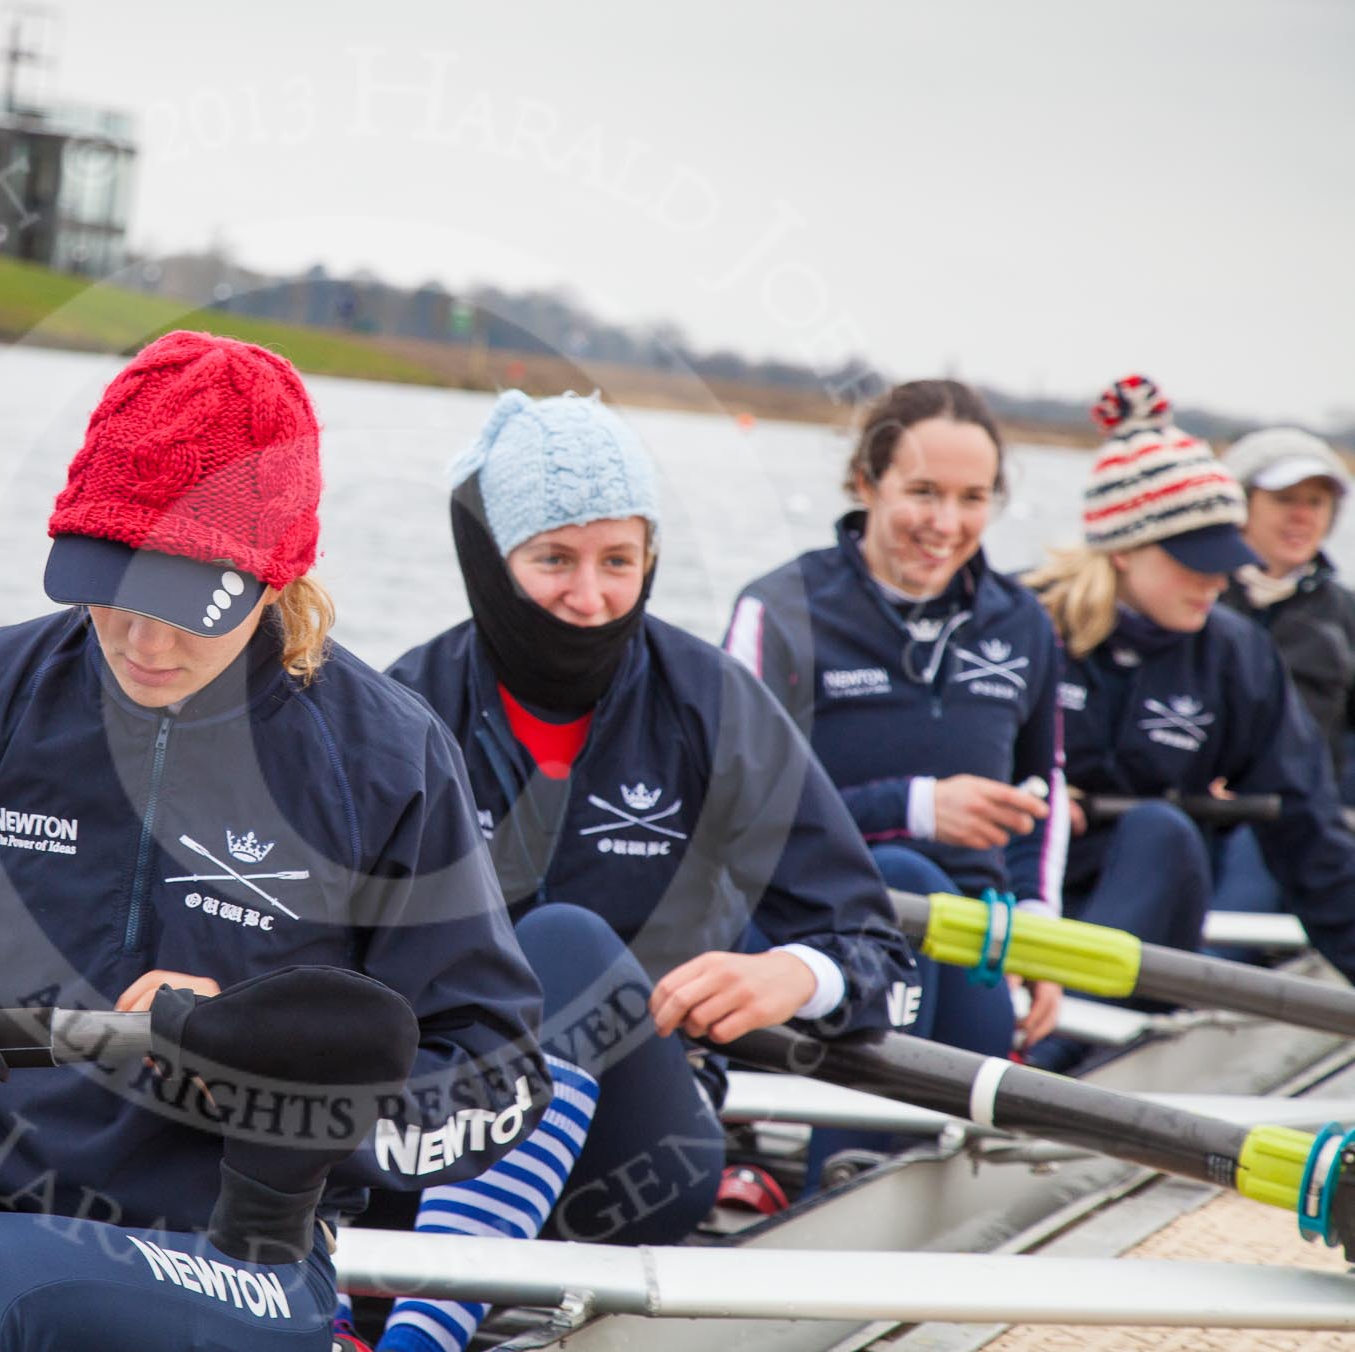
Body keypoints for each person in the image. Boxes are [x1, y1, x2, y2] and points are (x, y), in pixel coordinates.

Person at [0, 332, 550, 1352]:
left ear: (274, 578)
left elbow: (499, 1079)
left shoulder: (387, 759)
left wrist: (295, 1095)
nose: (143, 641)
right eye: (114, 591)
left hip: (238, 1254)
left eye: (185, 607)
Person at [364, 391, 920, 1352]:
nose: (591, 597)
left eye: (619, 561)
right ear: (490, 565)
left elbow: (875, 951)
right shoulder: (403, 706)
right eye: (554, 560)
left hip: (636, 1160)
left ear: (649, 558)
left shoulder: (713, 706)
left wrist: (792, 973)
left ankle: (421, 1331)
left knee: (563, 945)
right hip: (425, 1138)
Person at [725, 379, 1067, 1176]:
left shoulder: (1024, 623)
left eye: (971, 497)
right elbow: (731, 822)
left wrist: (1043, 934)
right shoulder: (779, 609)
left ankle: (854, 1169)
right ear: (865, 484)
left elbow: (1041, 797)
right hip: (803, 948)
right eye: (921, 492)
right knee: (905, 877)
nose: (945, 525)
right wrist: (912, 810)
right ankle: (837, 1172)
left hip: (972, 948)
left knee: (928, 898)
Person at [1020, 374, 1355, 1071]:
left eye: (1223, 562)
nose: (1213, 582)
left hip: (1146, 910)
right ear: (1122, 550)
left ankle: (1042, 1058)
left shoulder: (1234, 654)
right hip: (1018, 898)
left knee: (1161, 833)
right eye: (1190, 563)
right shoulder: (1022, 625)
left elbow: (1312, 839)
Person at [1213, 428, 1355, 923]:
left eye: (1316, 502)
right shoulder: (1194, 598)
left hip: (1295, 816)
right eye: (1285, 499)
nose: (1302, 516)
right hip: (1196, 804)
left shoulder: (1343, 616)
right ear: (1241, 502)